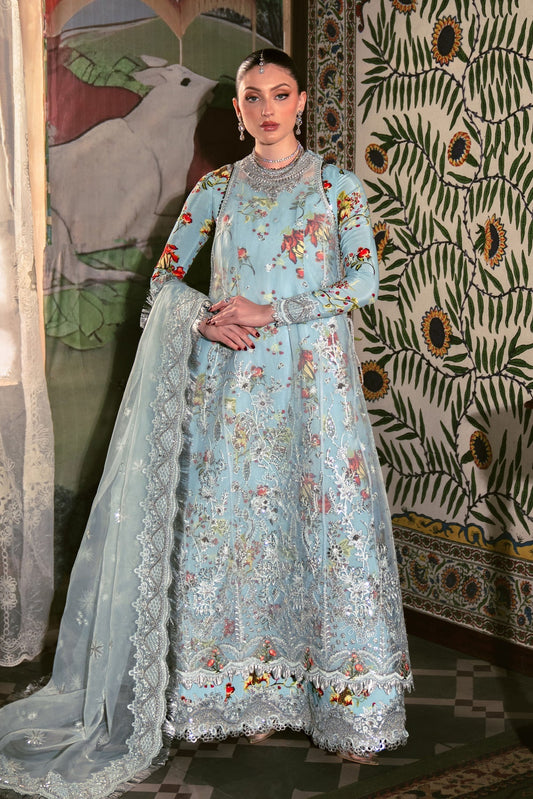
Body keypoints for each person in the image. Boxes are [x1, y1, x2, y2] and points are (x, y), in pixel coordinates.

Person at [0, 49, 412, 799]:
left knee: (329, 527)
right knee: (239, 530)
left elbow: (363, 281)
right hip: (234, 387)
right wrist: (201, 320)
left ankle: (349, 706)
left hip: (316, 391)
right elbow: (163, 280)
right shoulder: (216, 188)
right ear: (237, 109)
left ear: (301, 101)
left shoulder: (337, 187)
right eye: (252, 97)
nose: (266, 109)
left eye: (279, 95)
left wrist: (271, 309)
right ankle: (250, 694)